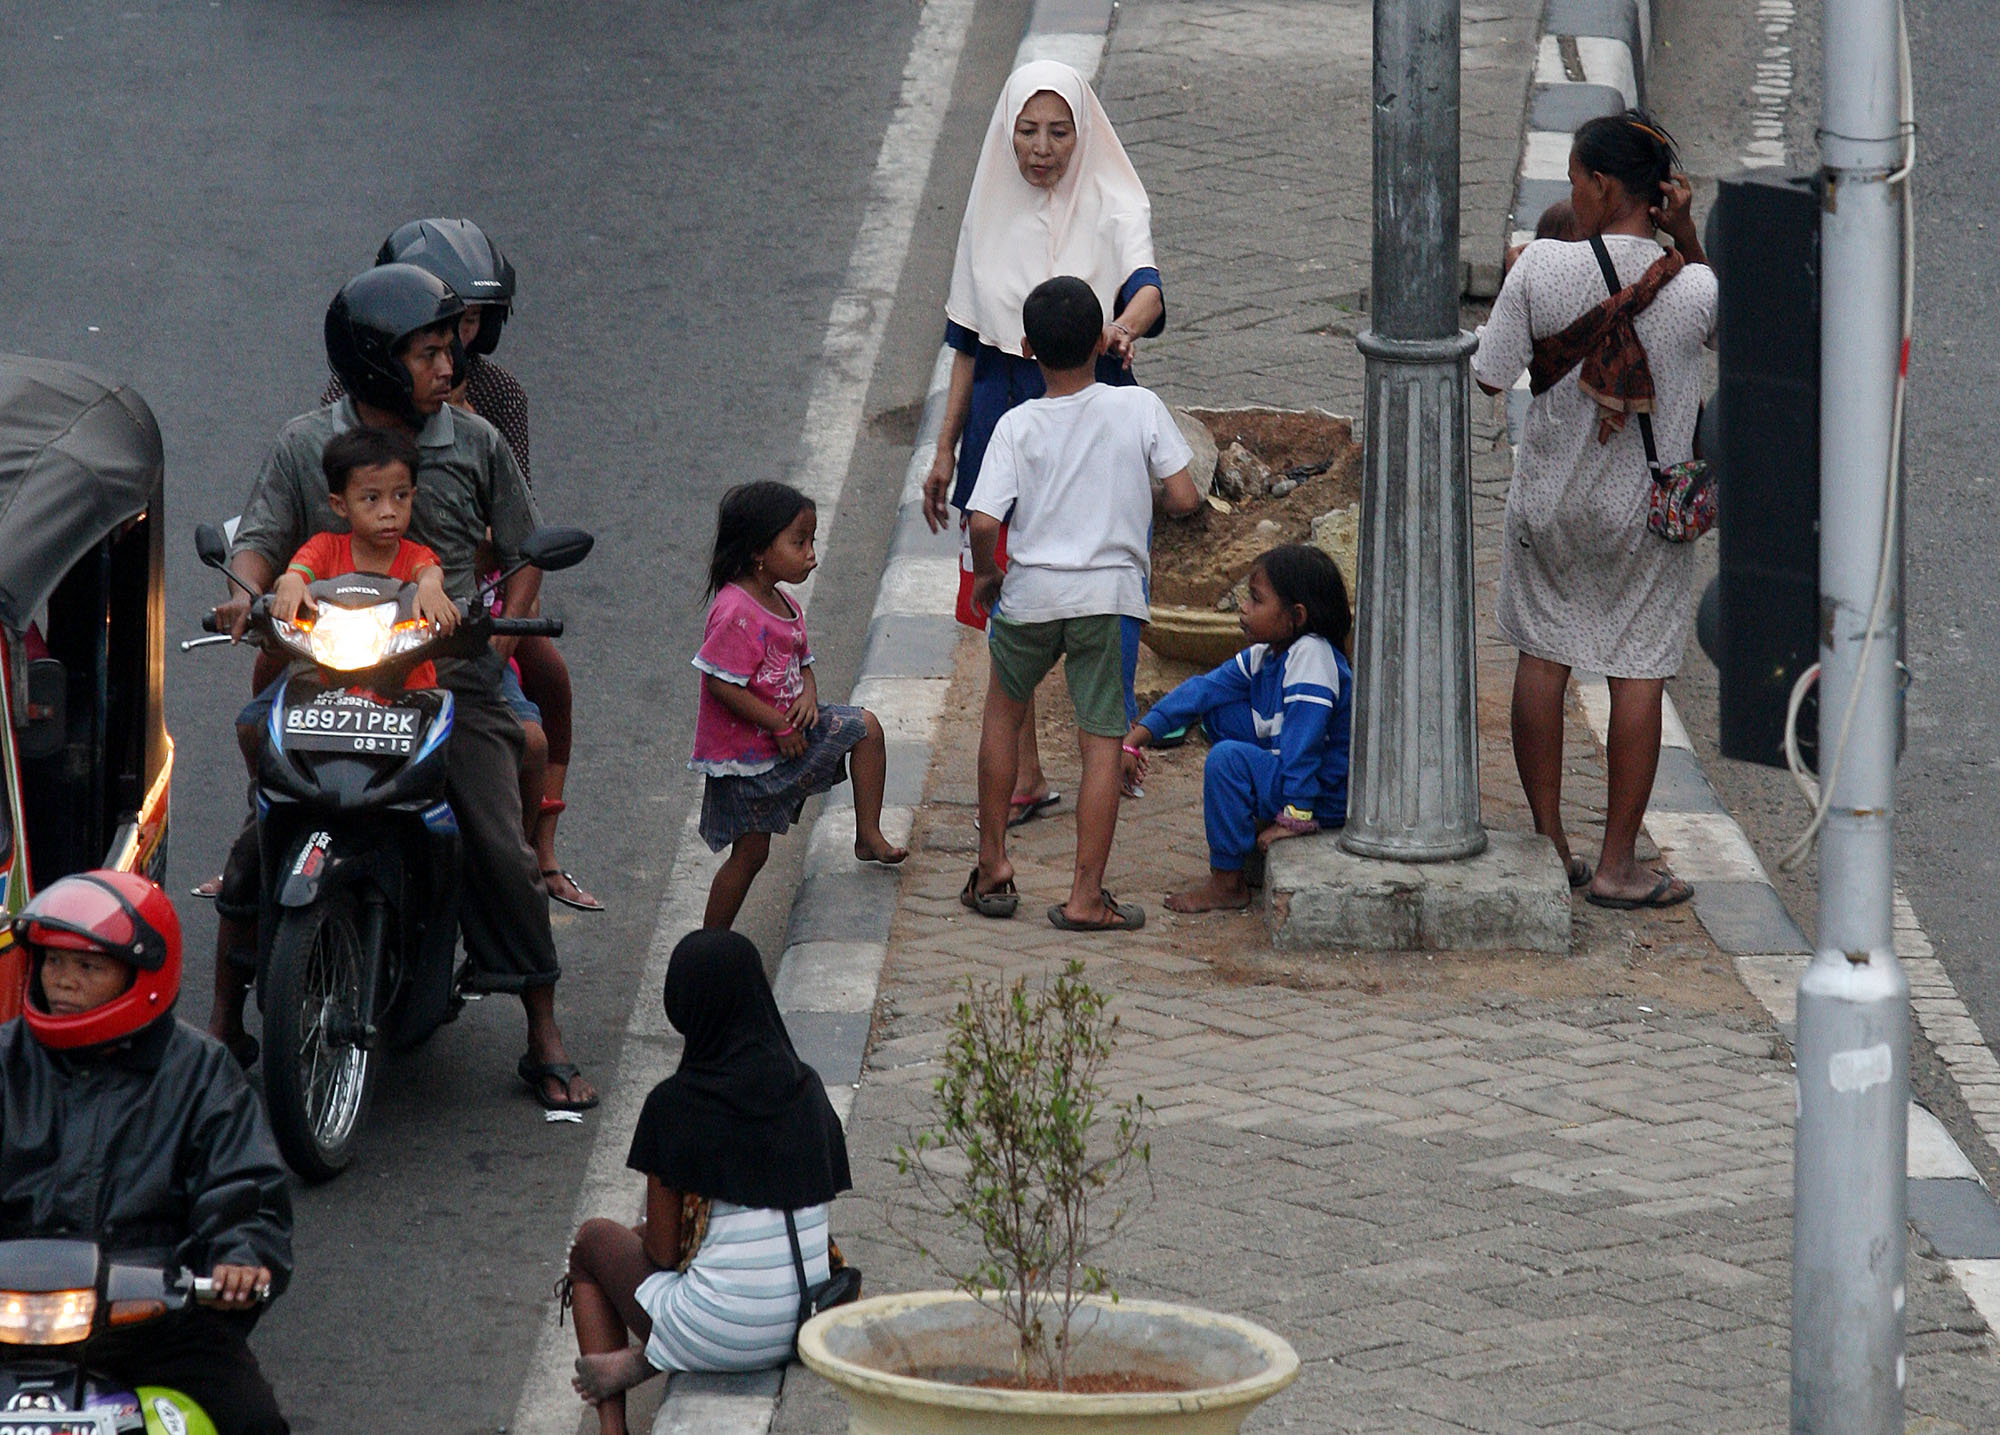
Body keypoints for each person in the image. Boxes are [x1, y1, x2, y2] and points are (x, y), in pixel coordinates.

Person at [212, 262, 597, 1111]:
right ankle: (221, 1016)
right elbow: (259, 542)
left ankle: (543, 1031)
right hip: (325, 673)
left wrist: (497, 635)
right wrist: (245, 596)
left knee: (499, 840)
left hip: (447, 681)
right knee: (256, 836)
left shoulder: (475, 443)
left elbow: (526, 548)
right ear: (381, 360)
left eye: (446, 351)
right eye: (427, 354)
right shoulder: (307, 443)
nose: (448, 370)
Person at [1472, 110, 1716, 910]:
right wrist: (1687, 234)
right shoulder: (1695, 287)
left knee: (1543, 657)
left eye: (1575, 179)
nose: (1570, 193)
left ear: (1603, 186)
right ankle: (1617, 864)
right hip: (1647, 515)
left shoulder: (1541, 268)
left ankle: (1549, 844)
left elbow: (1488, 373)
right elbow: (1729, 330)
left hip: (1548, 507)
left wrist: (1517, 287)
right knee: (1636, 673)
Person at [328, 217, 600, 912]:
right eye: (434, 335)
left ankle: (538, 850)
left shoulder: (496, 401)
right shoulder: (341, 407)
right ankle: (260, 839)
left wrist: (503, 621)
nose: (454, 345)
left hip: (472, 594)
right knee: (269, 690)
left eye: (469, 322)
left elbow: (516, 521)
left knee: (546, 686)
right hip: (355, 595)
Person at [920, 58, 1167, 821]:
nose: (1041, 148)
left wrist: (1121, 327)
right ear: (1007, 132)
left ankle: (1109, 742)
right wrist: (943, 448)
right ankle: (1024, 774)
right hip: (1003, 420)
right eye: (1027, 131)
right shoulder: (985, 210)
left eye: (1059, 131)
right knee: (1008, 602)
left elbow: (1148, 287)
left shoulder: (1114, 199)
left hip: (1091, 404)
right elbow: (968, 341)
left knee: (1102, 574)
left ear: (1082, 132)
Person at [1, 872, 293, 1435]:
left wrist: (239, 1255)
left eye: (88, 967)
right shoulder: (7, 1060)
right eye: (55, 962)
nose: (64, 982)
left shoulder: (201, 1074)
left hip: (148, 1320)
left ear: (141, 975)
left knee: (253, 1422)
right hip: (14, 1314)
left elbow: (244, 1190)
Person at [963, 276, 1202, 932]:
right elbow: (1184, 496)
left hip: (1032, 593)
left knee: (1003, 718)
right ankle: (1085, 897)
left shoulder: (1017, 425)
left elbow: (984, 522)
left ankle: (992, 865)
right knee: (1102, 744)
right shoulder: (1138, 408)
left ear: (1026, 347)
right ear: (1102, 339)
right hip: (1109, 599)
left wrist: (988, 578)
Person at [567, 930, 851, 1435]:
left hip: (718, 1334)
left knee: (591, 1244)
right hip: (804, 1323)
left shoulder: (675, 1105)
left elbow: (661, 1256)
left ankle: (613, 1427)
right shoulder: (807, 1089)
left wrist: (639, 1235)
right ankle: (638, 1362)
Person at [691, 481, 906, 929]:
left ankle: (868, 835)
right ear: (758, 552)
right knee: (751, 854)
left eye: (813, 541)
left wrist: (808, 694)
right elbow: (720, 685)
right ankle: (709, 944)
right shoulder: (736, 612)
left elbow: (802, 662)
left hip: (790, 735)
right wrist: (777, 725)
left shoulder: (784, 603)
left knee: (866, 729)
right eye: (799, 542)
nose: (811, 553)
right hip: (748, 758)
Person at [1121, 545, 1353, 913]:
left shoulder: (1312, 656)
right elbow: (1200, 690)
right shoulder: (1267, 655)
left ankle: (1227, 883)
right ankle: (1259, 814)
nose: (1244, 608)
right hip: (1300, 780)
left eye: (1256, 600)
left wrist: (1295, 817)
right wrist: (1137, 738)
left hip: (1323, 792)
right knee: (1218, 712)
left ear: (1296, 615)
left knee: (1226, 760)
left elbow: (1304, 745)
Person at [269, 425, 462, 690]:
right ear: (340, 505)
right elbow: (296, 575)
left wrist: (430, 588)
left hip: (409, 687)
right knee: (253, 725)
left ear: (413, 496)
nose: (388, 511)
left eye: (400, 496)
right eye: (372, 498)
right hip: (324, 681)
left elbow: (429, 571)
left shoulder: (415, 555)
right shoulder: (324, 548)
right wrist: (289, 584)